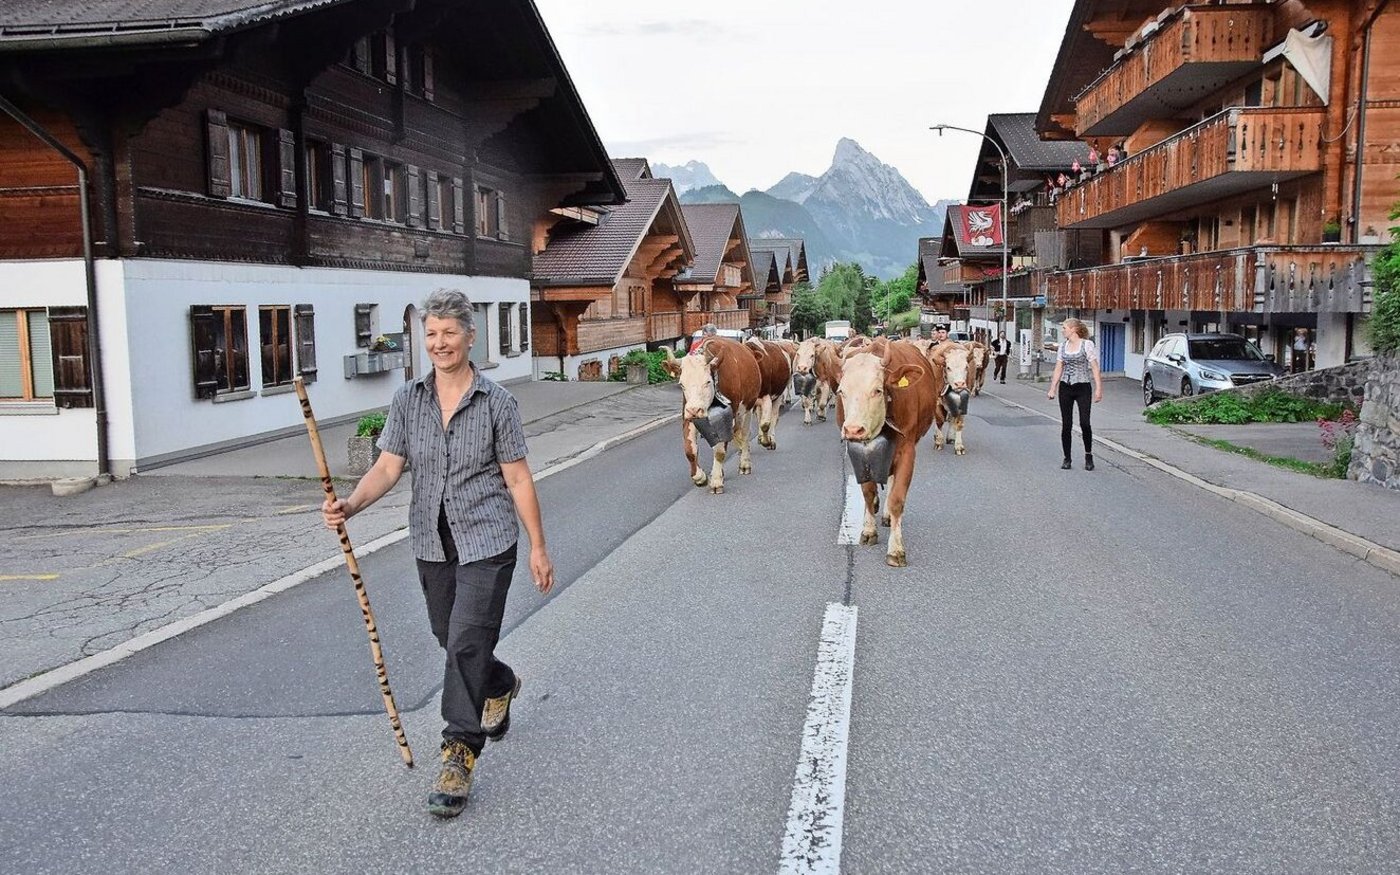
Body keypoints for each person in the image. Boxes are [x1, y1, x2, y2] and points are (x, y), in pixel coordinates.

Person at [321, 288, 555, 820]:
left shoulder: (498, 403)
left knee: (467, 640)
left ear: (471, 337)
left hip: (489, 540)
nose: (440, 343)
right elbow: (387, 465)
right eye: (431, 334)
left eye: (450, 333)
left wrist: (538, 546)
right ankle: (501, 683)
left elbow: (517, 478)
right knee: (448, 638)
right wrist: (351, 504)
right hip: (432, 539)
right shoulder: (408, 400)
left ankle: (458, 753)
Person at [1046, 317, 1103, 471]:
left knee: (1085, 422)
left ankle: (1088, 454)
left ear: (1073, 329)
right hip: (1066, 387)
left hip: (1083, 386)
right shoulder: (1063, 346)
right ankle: (1067, 458)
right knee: (1066, 424)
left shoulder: (1087, 345)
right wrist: (1053, 388)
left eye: (1064, 327)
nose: (1062, 330)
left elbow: (1095, 367)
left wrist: (1098, 389)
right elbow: (1059, 368)